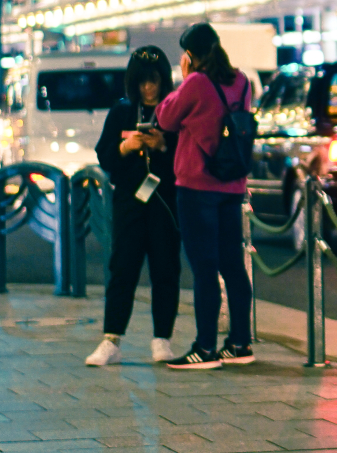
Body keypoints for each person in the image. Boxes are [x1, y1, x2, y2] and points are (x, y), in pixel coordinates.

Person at [155, 22, 256, 370]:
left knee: (204, 269)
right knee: (232, 266)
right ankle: (240, 343)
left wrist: (184, 78)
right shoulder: (242, 81)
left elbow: (166, 118)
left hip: (198, 187)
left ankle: (205, 348)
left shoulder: (196, 82)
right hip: (233, 184)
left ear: (191, 55)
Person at [85, 47, 182, 366]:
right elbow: (104, 156)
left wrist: (163, 145)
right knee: (122, 269)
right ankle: (111, 339)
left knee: (165, 269)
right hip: (129, 200)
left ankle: (162, 339)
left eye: (154, 81)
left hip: (165, 202)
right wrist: (125, 146)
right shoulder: (122, 112)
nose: (148, 88)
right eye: (142, 82)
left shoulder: (173, 114)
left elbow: (186, 159)